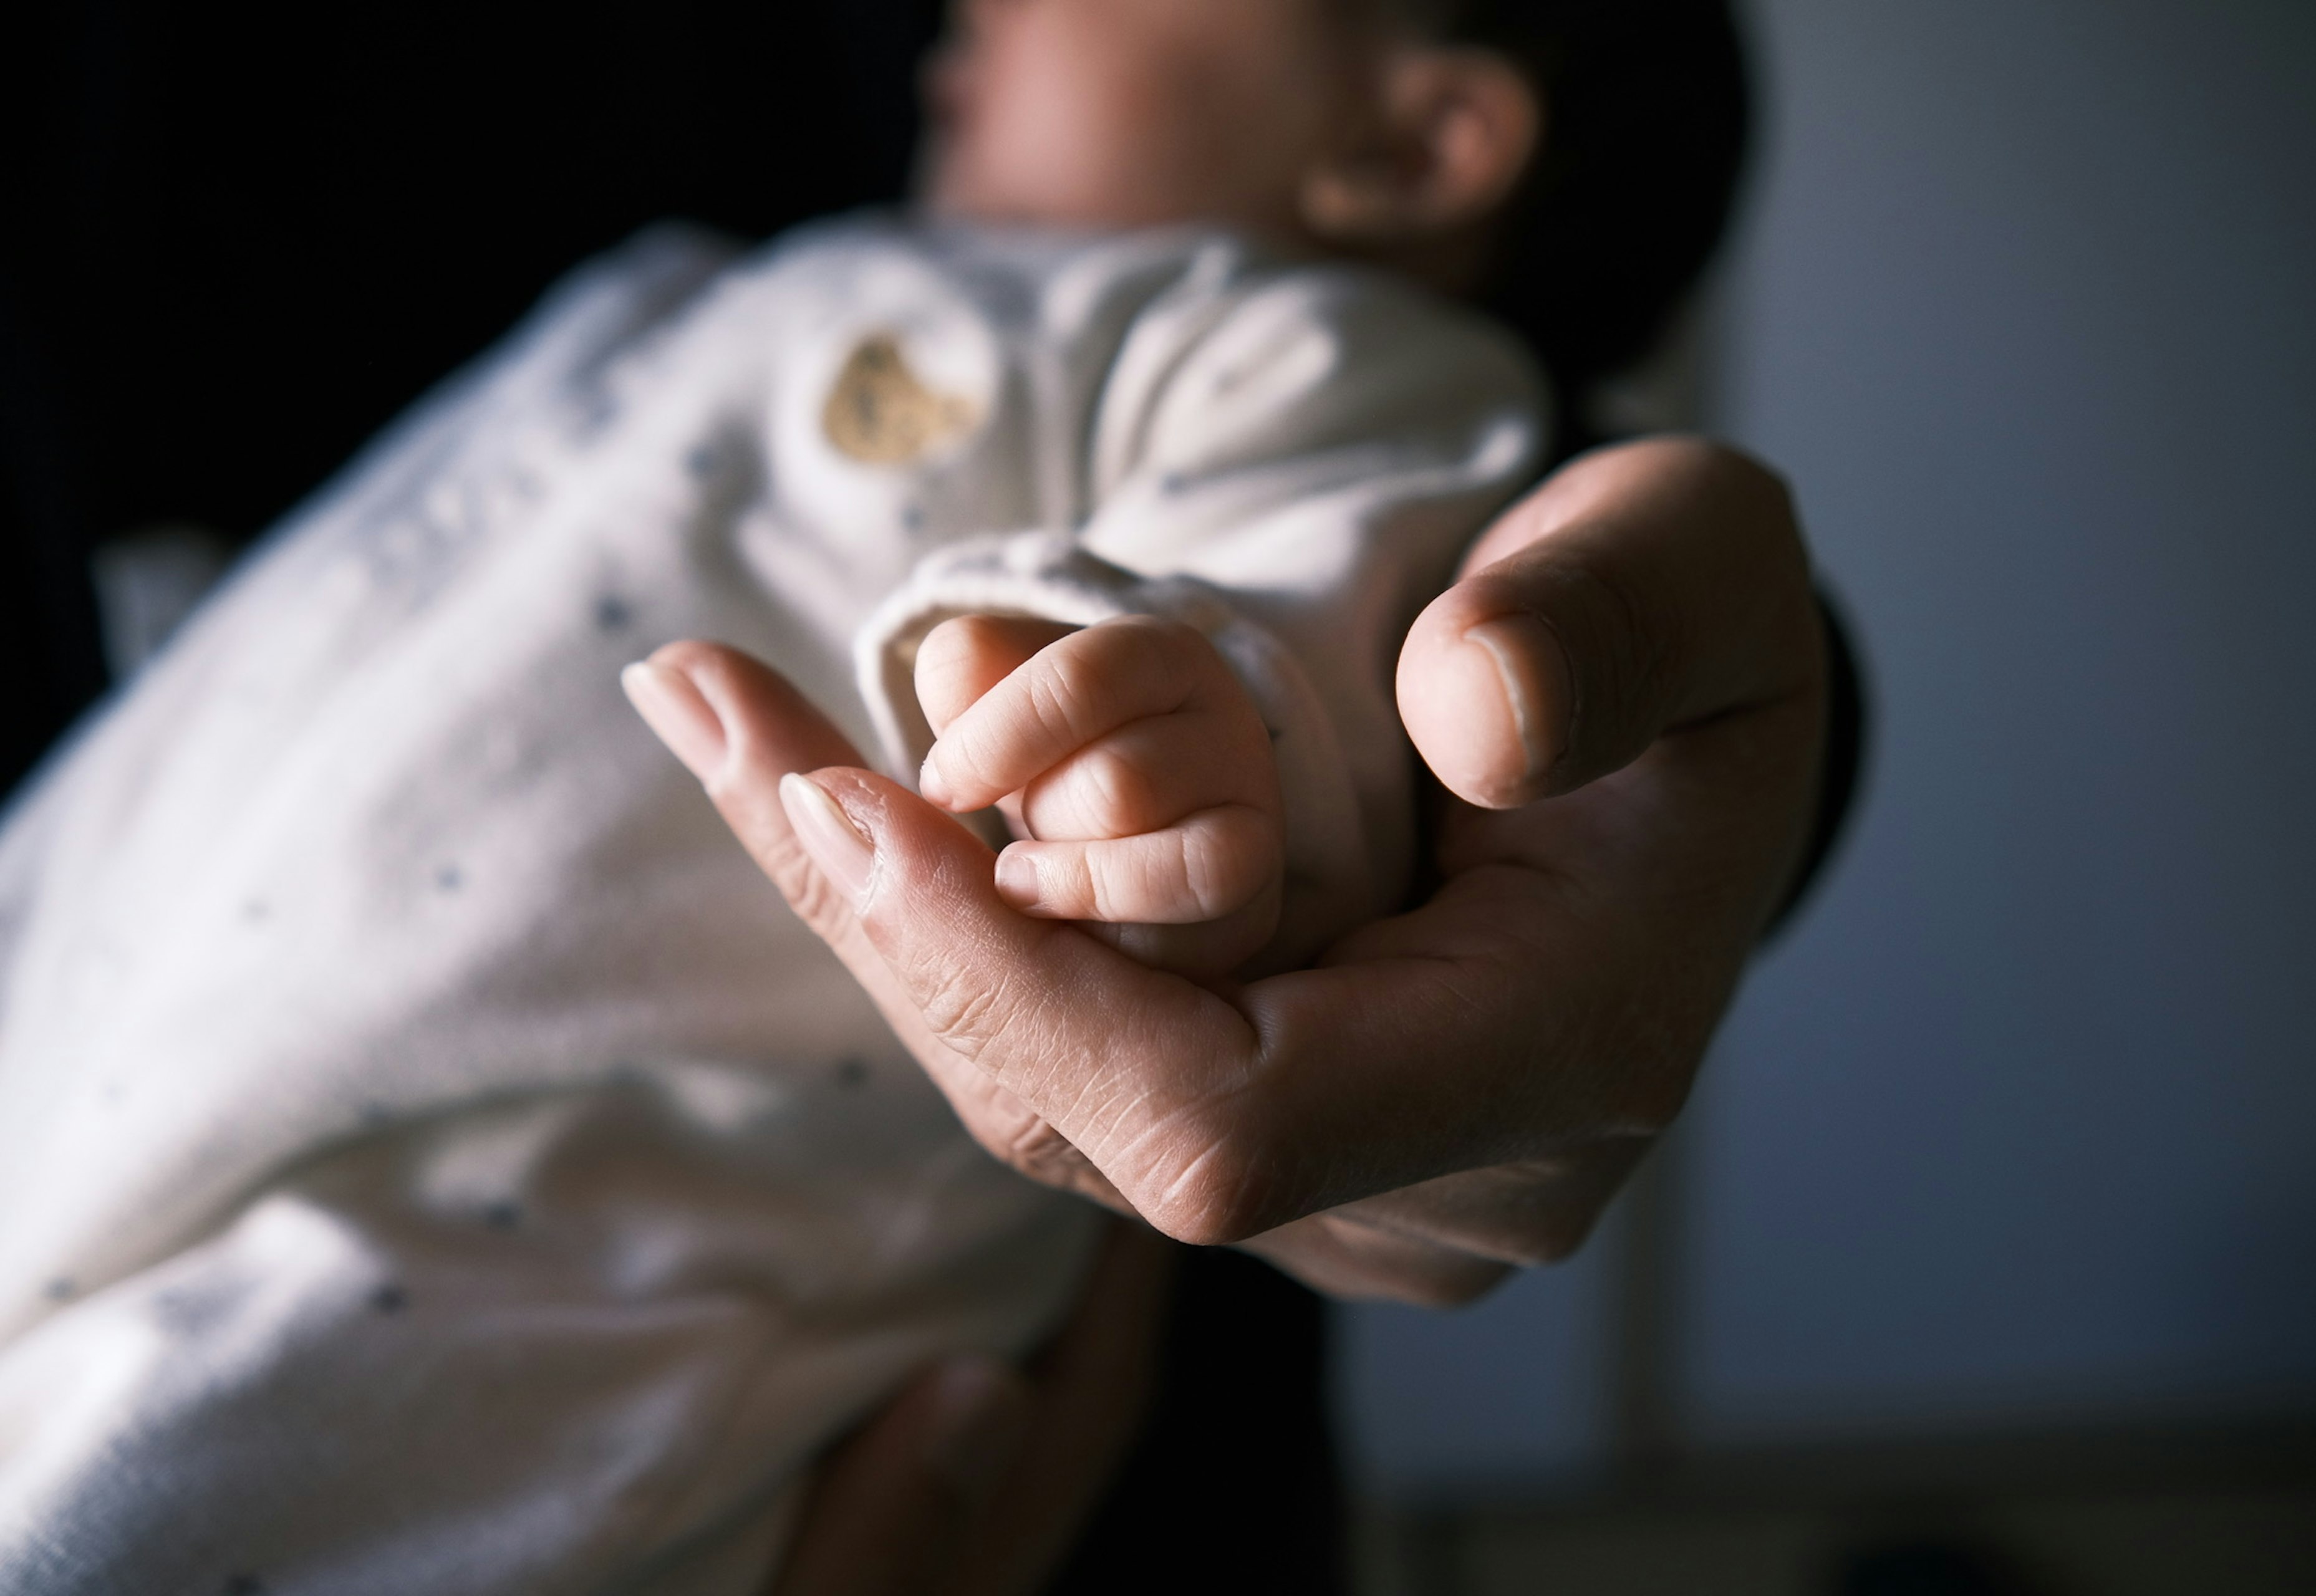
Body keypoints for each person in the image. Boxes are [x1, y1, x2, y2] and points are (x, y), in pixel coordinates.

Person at [0, 2, 1838, 1594]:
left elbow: (1330, 628)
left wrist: (1168, 756)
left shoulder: (1296, 352)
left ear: (1420, 138)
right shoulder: (745, 278)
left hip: (529, 1234)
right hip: (114, 1007)